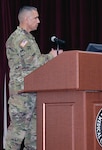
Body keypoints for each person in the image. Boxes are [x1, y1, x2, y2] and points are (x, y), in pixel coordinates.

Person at [5, 6, 63, 150]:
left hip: (32, 91)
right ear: (26, 19)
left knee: (34, 136)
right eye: (35, 18)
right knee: (16, 136)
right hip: (22, 95)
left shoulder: (28, 38)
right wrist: (52, 56)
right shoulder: (19, 38)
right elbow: (34, 62)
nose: (39, 21)